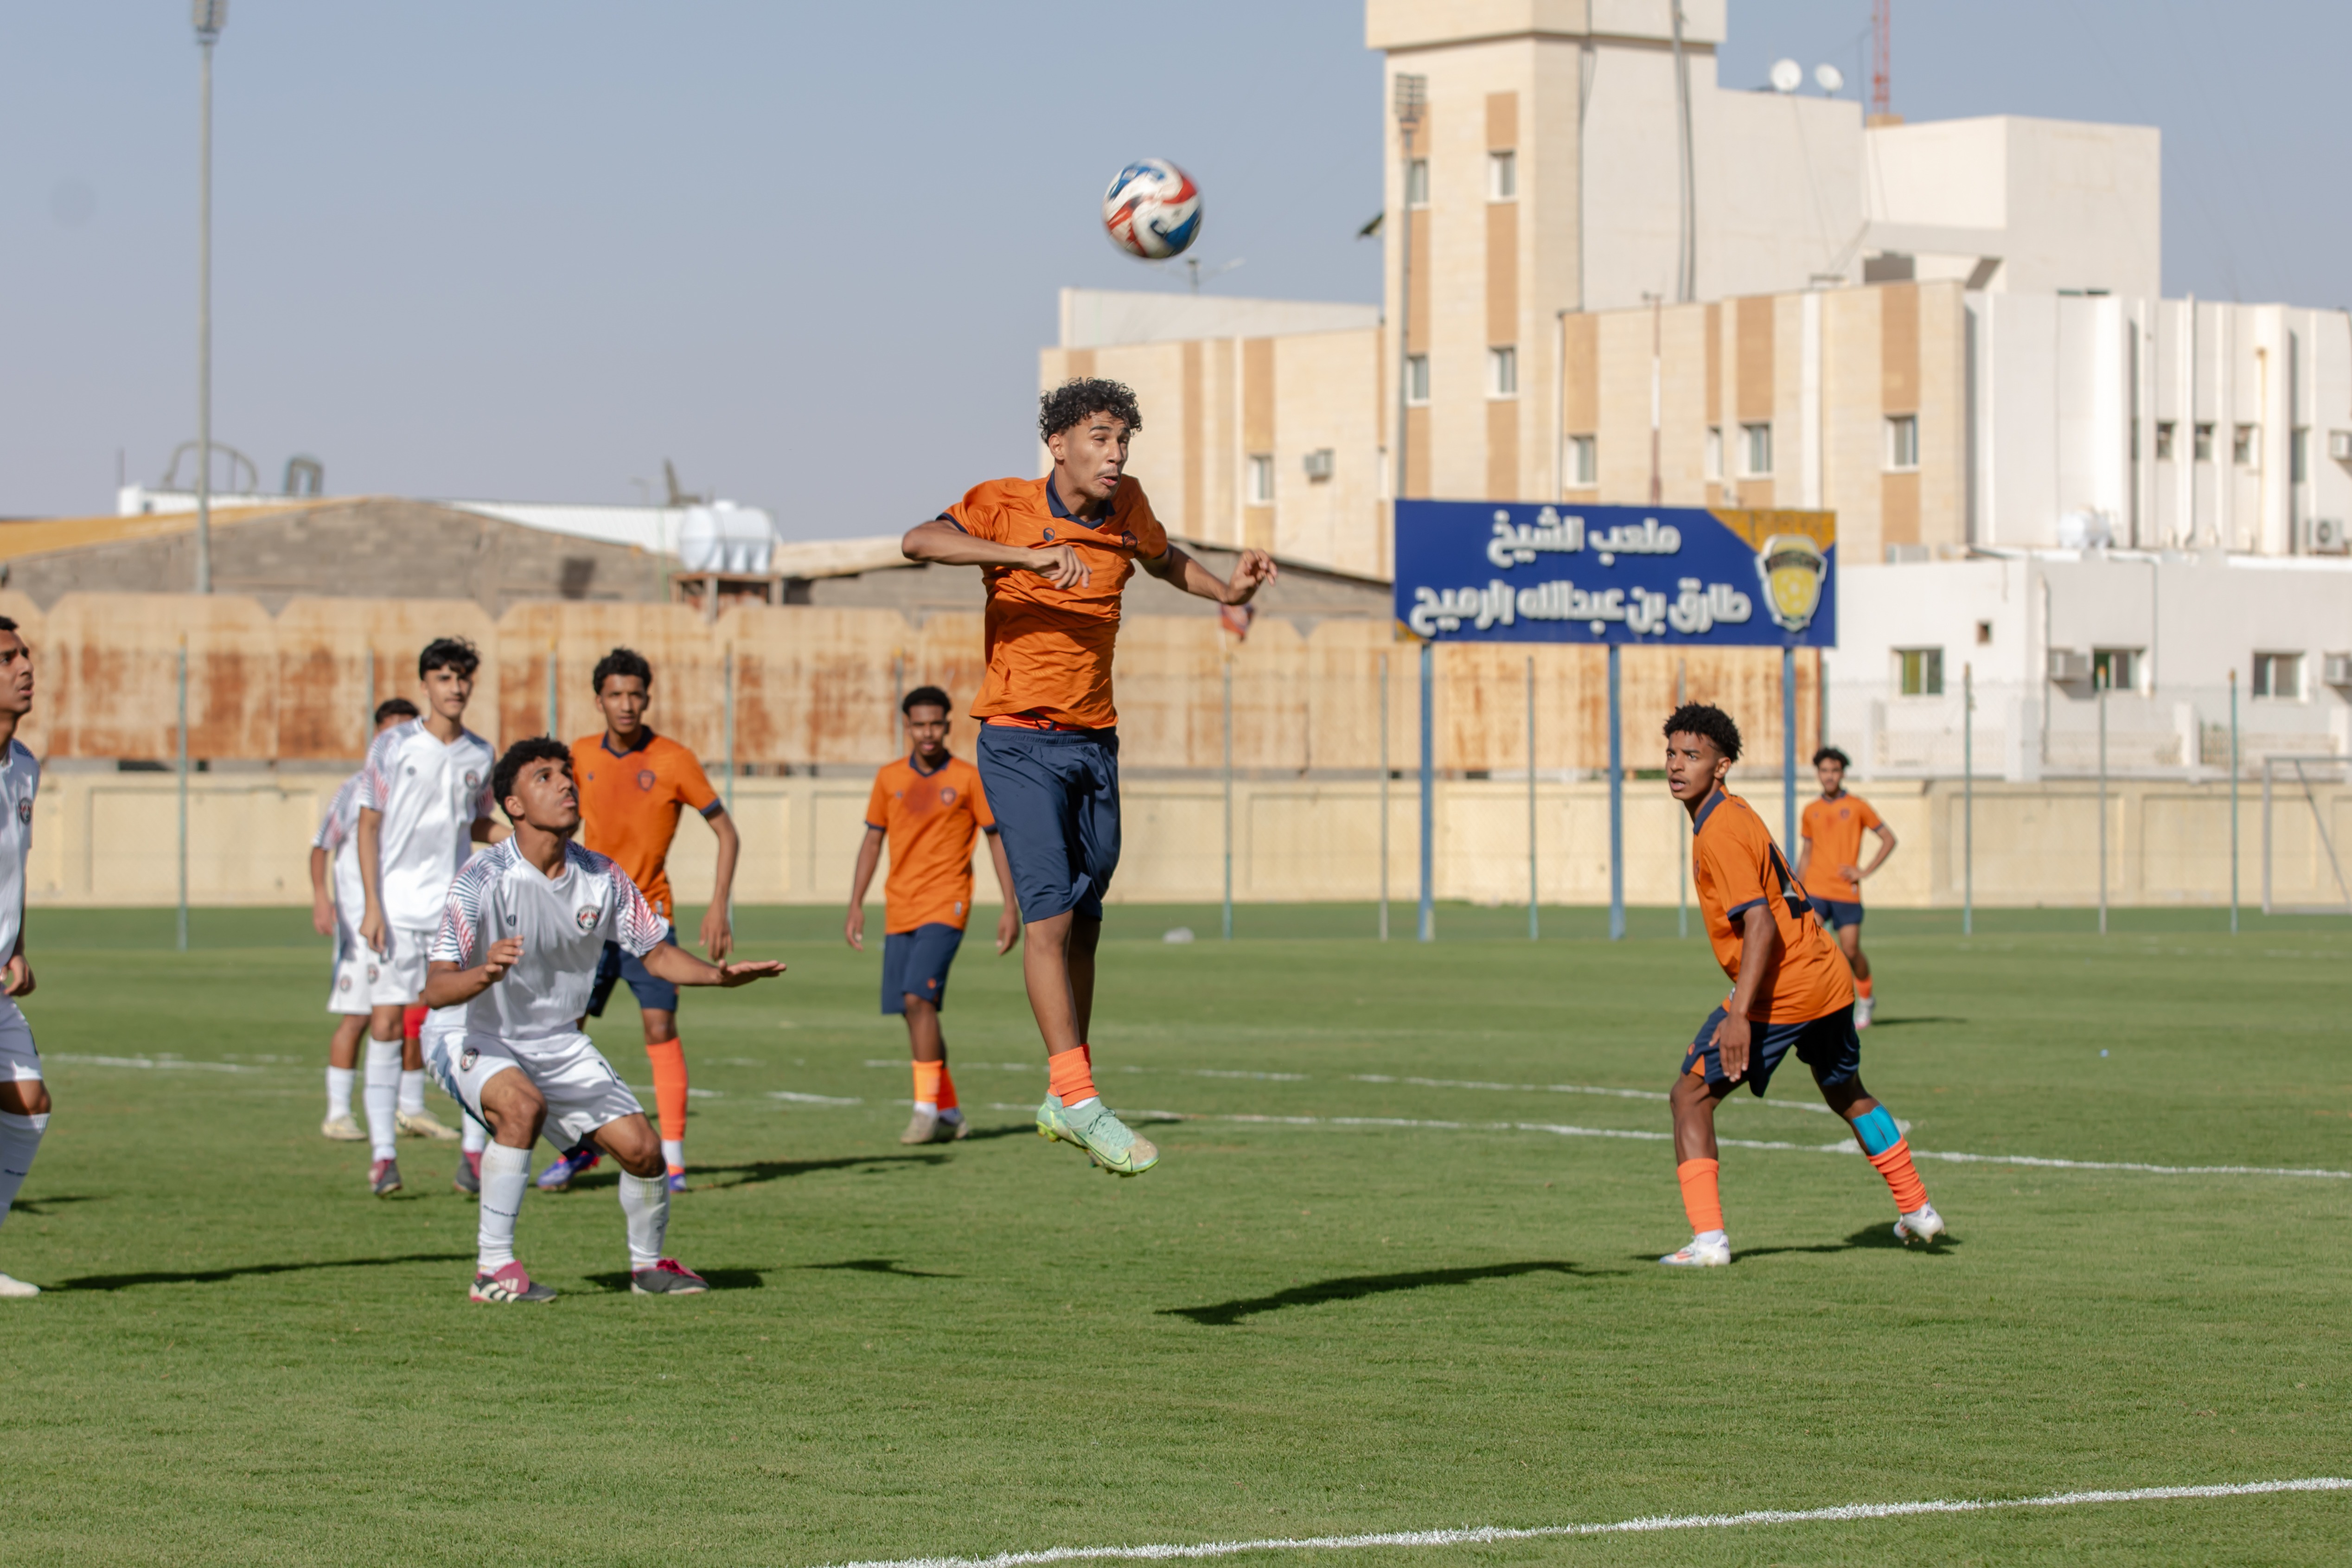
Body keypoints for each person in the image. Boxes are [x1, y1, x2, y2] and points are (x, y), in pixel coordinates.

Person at [899, 377, 1275, 1176]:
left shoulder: (1127, 505)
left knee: (1087, 913)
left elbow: (1165, 559)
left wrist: (1230, 590)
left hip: (1094, 745)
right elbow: (917, 542)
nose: (1115, 454)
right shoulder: (1003, 504)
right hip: (1017, 742)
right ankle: (1076, 1093)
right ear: (1059, 444)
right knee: (1048, 919)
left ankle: (1064, 1097)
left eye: (1123, 441)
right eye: (1101, 439)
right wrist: (1024, 554)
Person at [422, 738, 783, 1303]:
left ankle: (648, 1268)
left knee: (643, 1150)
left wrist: (718, 977)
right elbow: (436, 987)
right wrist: (483, 975)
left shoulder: (602, 877)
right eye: (544, 777)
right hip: (471, 1031)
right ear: (513, 806)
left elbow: (657, 953)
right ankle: (493, 1268)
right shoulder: (482, 877)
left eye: (567, 774)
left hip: (556, 1041)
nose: (566, 784)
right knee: (522, 1107)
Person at [1658, 703, 1944, 1267]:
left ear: (1721, 767)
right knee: (1845, 1091)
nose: (1676, 765)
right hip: (1828, 976)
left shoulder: (1718, 830)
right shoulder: (1734, 812)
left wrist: (1741, 1014)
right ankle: (1917, 1209)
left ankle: (1709, 1242)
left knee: (1688, 1098)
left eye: (1692, 756)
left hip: (1782, 987)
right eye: (1671, 752)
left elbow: (1760, 923)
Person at [530, 648, 742, 1196]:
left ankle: (671, 1158)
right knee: (564, 1035)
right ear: (598, 699)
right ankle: (578, 1148)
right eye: (615, 695)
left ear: (647, 698)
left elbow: (726, 831)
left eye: (635, 695)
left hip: (649, 917)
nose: (626, 705)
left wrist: (718, 903)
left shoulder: (673, 759)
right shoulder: (576, 756)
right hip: (583, 920)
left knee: (659, 1028)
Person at [355, 638, 505, 1197]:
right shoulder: (393, 745)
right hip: (395, 911)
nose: (455, 687)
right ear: (425, 685)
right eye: (444, 677)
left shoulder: (480, 753)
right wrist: (371, 905)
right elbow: (368, 825)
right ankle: (383, 1155)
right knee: (388, 1025)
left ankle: (471, 1153)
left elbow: (478, 822)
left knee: (465, 1029)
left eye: (463, 677)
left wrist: (524, 837)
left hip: (453, 912)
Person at [846, 685, 1022, 1145]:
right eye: (919, 724)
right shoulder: (888, 779)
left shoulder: (967, 778)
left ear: (947, 726)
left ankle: (924, 1111)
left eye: (936, 724)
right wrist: (855, 903)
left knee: (917, 1001)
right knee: (914, 1011)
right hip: (899, 906)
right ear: (907, 726)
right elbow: (871, 841)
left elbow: (995, 838)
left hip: (947, 903)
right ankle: (947, 1110)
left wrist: (1010, 906)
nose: (928, 732)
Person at [310, 698, 420, 1140]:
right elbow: (321, 845)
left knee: (409, 1013)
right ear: (378, 737)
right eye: (388, 733)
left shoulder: (419, 788)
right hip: (361, 926)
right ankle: (338, 1112)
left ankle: (410, 1109)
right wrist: (322, 897)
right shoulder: (356, 789)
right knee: (357, 1017)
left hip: (405, 922)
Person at [0, 621, 46, 1298]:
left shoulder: (26, 765)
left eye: (25, 655)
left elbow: (15, 867)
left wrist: (19, 945)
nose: (25, 667)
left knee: (29, 1105)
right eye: (7, 659)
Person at [1795, 746, 1896, 1028]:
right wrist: (1798, 890)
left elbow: (1889, 839)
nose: (1829, 776)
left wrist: (1864, 871)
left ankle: (1866, 999)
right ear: (1818, 773)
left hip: (1845, 892)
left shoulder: (1857, 806)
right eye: (1825, 771)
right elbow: (1807, 852)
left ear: (1842, 773)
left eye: (1835, 771)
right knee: (1808, 944)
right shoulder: (1810, 810)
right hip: (1815, 889)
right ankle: (1815, 1004)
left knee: (1850, 950)